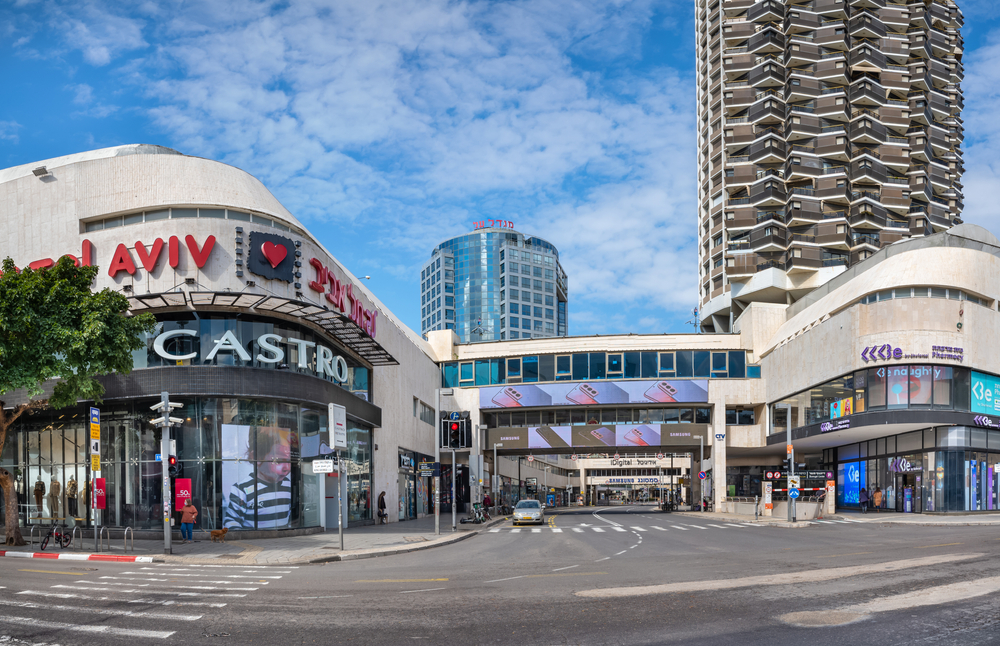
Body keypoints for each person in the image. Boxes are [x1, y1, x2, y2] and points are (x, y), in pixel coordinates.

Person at [225, 428, 297, 529]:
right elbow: (231, 522)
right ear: (257, 457)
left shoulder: (287, 485)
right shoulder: (242, 489)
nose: (287, 468)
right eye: (279, 461)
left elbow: (287, 516)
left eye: (289, 461)